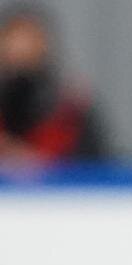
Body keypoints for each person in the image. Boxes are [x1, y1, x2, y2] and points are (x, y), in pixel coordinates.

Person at [0, 2, 108, 167]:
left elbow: (93, 170)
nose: (20, 48)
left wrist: (34, 163)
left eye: (30, 39)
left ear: (45, 46)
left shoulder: (70, 110)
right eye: (12, 40)